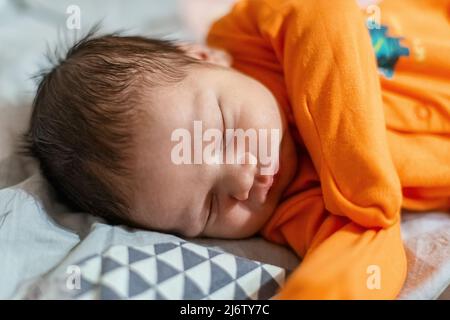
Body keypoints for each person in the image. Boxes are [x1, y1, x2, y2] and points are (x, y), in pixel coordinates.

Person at [25, 0, 450, 298]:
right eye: (211, 205)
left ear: (205, 56)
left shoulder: (252, 37)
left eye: (224, 133)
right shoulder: (292, 210)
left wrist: (357, 175)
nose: (243, 180)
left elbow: (322, 10)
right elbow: (367, 251)